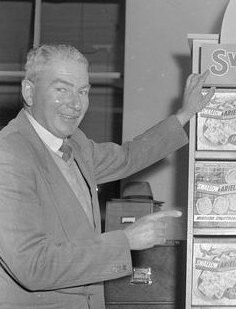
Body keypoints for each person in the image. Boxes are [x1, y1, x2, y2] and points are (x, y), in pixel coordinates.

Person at [0, 44, 215, 308]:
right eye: (62, 89)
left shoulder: (73, 143)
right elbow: (32, 265)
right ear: (29, 92)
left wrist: (185, 114)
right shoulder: (9, 154)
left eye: (83, 91)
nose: (75, 104)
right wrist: (126, 241)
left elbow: (127, 157)